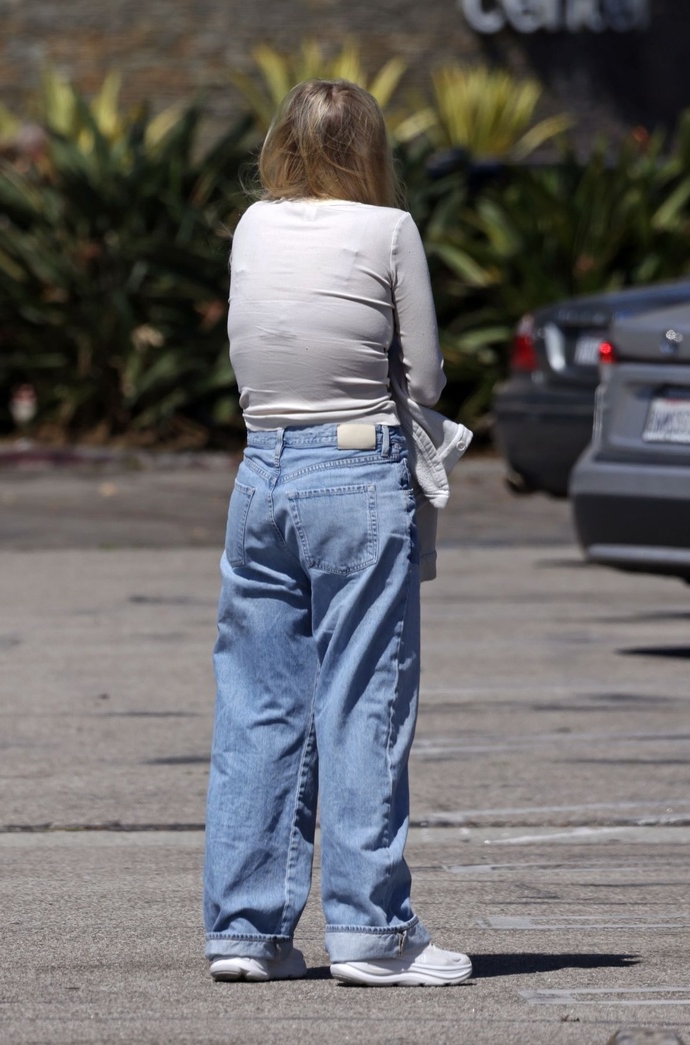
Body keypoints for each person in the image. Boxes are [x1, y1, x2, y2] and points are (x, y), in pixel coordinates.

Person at [203, 78, 472, 987]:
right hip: (355, 471)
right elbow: (425, 378)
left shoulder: (252, 226)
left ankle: (247, 931)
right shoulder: (390, 229)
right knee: (364, 698)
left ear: (282, 143)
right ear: (371, 150)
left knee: (258, 704)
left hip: (262, 471)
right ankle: (372, 931)